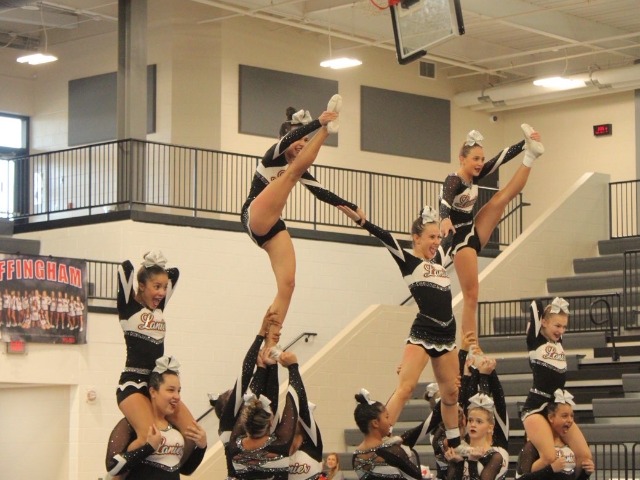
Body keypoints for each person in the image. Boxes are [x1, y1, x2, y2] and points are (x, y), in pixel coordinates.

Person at [340, 205, 467, 452]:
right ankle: (383, 436)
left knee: (451, 393)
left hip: (447, 333)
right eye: (431, 237)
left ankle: (455, 443)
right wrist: (361, 221)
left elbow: (454, 230)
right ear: (416, 238)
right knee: (406, 388)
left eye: (437, 237)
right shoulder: (408, 261)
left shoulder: (440, 258)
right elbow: (385, 236)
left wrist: (449, 217)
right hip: (424, 331)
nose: (436, 242)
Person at [240, 98, 366, 348]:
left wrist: (351, 207)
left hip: (273, 225)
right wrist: (320, 125)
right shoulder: (272, 156)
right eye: (300, 139)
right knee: (293, 172)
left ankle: (269, 343)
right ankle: (326, 132)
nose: (302, 144)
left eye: (307, 141)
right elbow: (291, 144)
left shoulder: (297, 168)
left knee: (288, 284)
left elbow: (321, 192)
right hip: (254, 215)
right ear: (284, 139)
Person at [439, 125, 544, 340]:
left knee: (501, 198)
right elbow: (445, 200)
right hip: (460, 242)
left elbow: (500, 159)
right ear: (462, 159)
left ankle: (531, 156)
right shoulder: (454, 180)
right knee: (471, 295)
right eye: (475, 159)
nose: (480, 163)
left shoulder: (475, 177)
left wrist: (524, 144)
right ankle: (470, 345)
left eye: (481, 159)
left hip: (473, 230)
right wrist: (444, 218)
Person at [116, 250, 195, 453]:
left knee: (194, 434)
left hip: (157, 384)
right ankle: (118, 469)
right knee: (148, 438)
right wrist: (148, 264)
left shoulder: (159, 309)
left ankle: (176, 468)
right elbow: (125, 267)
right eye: (156, 286)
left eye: (165, 287)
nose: (161, 292)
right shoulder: (128, 308)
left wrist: (156, 270)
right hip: (133, 384)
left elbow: (174, 273)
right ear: (142, 286)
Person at [105, 356, 207, 479]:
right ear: (153, 392)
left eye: (178, 391)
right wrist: (148, 448)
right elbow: (112, 467)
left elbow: (186, 470)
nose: (177, 396)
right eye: (171, 390)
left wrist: (201, 447)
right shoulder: (131, 425)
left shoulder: (176, 429)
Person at [522, 298, 593, 475]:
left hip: (556, 407)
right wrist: (553, 306)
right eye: (557, 325)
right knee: (549, 457)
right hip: (536, 408)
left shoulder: (558, 342)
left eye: (564, 327)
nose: (561, 331)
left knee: (585, 457)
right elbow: (536, 304)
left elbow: (583, 458)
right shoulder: (535, 340)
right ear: (543, 322)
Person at [209, 310, 279, 479]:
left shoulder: (248, 421)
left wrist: (265, 366)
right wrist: (261, 334)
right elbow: (246, 375)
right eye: (231, 395)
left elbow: (263, 394)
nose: (236, 394)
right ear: (228, 408)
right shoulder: (228, 426)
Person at [228, 350, 306, 479]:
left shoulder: (234, 445)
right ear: (270, 422)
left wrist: (266, 368)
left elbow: (250, 400)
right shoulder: (280, 444)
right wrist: (293, 367)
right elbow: (293, 401)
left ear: (244, 422)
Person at [516, 389, 595, 479]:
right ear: (551, 417)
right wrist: (551, 469)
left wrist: (586, 473)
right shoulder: (533, 446)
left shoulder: (570, 446)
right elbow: (522, 478)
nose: (570, 420)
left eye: (572, 416)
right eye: (564, 416)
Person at [351, 388, 426, 479]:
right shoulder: (391, 452)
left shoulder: (356, 456)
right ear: (375, 423)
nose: (389, 422)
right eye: (386, 417)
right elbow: (417, 477)